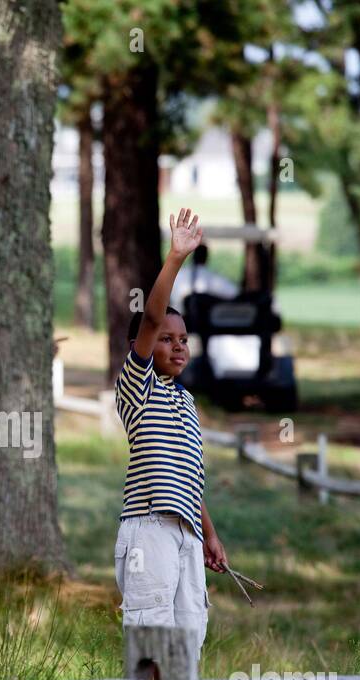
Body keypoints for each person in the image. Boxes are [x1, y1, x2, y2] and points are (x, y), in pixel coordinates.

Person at [114, 208, 228, 655]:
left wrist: (210, 533)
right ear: (140, 348)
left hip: (187, 534)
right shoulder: (137, 387)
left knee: (188, 642)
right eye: (166, 338)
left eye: (183, 339)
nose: (178, 345)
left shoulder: (186, 401)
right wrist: (176, 259)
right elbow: (149, 316)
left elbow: (189, 477)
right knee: (153, 643)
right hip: (150, 531)